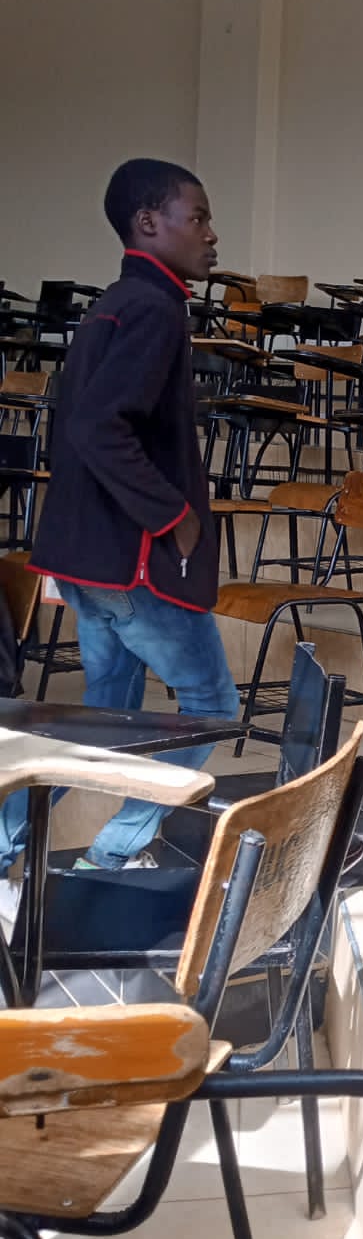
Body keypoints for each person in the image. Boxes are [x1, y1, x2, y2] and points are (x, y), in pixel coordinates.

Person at [0, 157, 240, 918]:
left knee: (101, 724)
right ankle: (115, 847)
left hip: (89, 564)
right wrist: (175, 516)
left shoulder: (117, 301)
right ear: (148, 223)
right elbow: (101, 429)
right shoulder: (154, 309)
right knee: (210, 704)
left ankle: (3, 853)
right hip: (132, 565)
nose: (211, 234)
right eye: (198, 217)